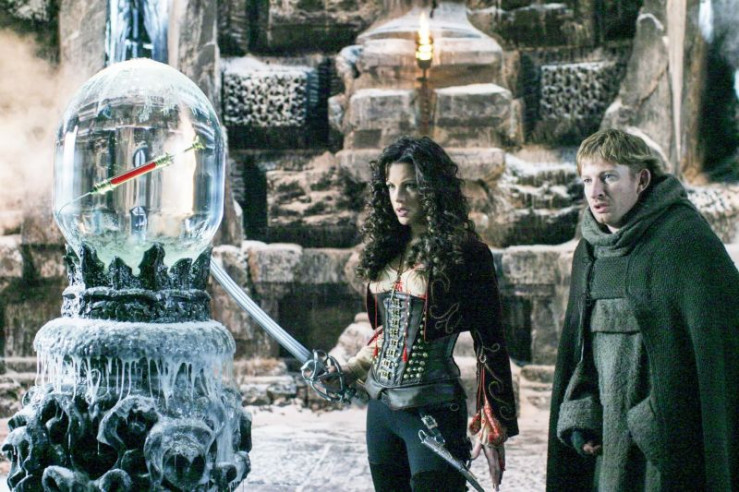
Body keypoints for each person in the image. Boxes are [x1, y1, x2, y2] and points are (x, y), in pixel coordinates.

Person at [546, 128, 739, 491]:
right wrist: (580, 414)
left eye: (609, 177)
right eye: (587, 180)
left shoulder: (684, 240)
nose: (596, 191)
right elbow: (582, 350)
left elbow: (718, 349)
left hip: (662, 446)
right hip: (606, 446)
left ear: (641, 179)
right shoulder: (589, 252)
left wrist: (654, 420)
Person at [337, 136, 519, 491]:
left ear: (433, 188)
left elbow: (490, 342)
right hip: (381, 412)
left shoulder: (467, 254)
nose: (398, 197)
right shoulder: (385, 249)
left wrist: (494, 423)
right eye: (391, 186)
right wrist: (351, 369)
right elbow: (387, 334)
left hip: (433, 410)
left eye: (410, 186)